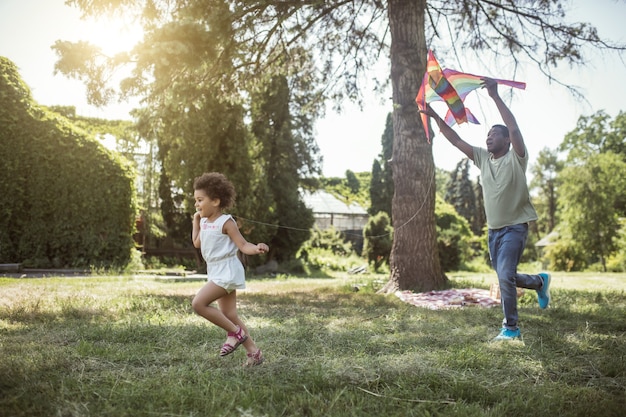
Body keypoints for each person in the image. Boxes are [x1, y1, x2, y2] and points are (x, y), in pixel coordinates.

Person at [420, 78, 551, 341]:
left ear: (506, 140)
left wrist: (495, 96)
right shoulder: (483, 158)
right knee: (507, 275)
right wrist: (434, 115)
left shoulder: (517, 157)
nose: (488, 137)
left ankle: (511, 329)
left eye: (494, 134)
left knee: (504, 276)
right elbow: (455, 140)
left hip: (515, 227)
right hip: (494, 232)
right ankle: (539, 282)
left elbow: (513, 127)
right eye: (487, 134)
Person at [191, 172, 269, 365]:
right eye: (195, 200)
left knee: (198, 304)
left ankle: (235, 333)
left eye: (200, 200)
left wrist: (256, 248)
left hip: (227, 270)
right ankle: (254, 352)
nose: (196, 204)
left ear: (216, 201)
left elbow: (243, 245)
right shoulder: (203, 221)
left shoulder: (226, 222)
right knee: (230, 315)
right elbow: (197, 243)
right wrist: (195, 222)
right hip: (216, 271)